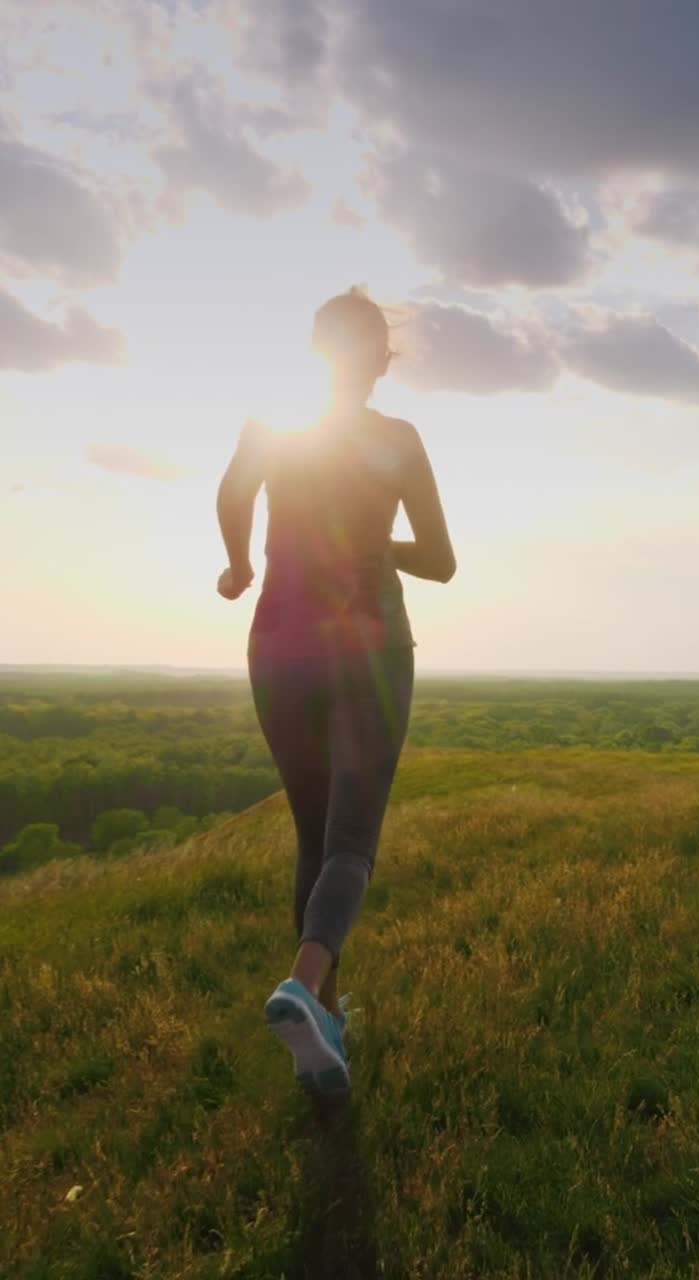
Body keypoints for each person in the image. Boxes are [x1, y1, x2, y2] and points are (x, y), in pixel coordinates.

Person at [215, 286, 456, 1098]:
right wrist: (374, 542)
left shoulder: (271, 431)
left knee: (313, 837)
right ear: (383, 360)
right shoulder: (398, 440)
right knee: (350, 841)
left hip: (279, 647)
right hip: (368, 646)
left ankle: (324, 1031)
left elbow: (231, 494)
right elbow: (442, 559)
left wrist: (242, 564)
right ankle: (301, 984)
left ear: (315, 351)